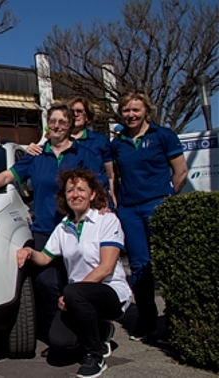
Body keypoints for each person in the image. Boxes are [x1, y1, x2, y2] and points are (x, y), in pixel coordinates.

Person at [0, 103, 98, 346]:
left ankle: (87, 331)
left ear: (70, 126)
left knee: (78, 282)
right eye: (53, 121)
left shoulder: (83, 155)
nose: (57, 126)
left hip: (75, 228)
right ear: (48, 126)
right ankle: (54, 332)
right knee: (46, 283)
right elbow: (9, 175)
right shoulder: (37, 154)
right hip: (45, 230)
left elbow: (96, 187)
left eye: (62, 121)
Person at [16, 169, 131, 378]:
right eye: (70, 190)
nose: (75, 194)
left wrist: (70, 293)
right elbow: (45, 257)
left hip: (109, 292)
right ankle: (100, 330)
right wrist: (29, 252)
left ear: (93, 194)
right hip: (77, 298)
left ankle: (95, 356)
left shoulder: (107, 220)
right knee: (60, 343)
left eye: (81, 189)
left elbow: (106, 268)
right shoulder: (64, 227)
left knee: (75, 293)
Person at [110, 91, 187, 341]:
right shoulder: (117, 143)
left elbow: (180, 172)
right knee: (140, 266)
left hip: (158, 204)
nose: (131, 115)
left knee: (168, 262)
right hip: (130, 210)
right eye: (126, 110)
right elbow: (115, 177)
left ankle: (177, 319)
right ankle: (147, 320)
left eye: (136, 110)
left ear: (146, 112)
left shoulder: (163, 136)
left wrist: (165, 198)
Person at [25, 97, 116, 205]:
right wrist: (29, 148)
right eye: (72, 112)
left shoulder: (100, 140)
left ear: (88, 117)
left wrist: (112, 198)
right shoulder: (55, 137)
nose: (75, 114)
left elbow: (110, 175)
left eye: (80, 111)